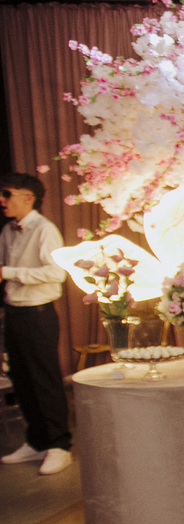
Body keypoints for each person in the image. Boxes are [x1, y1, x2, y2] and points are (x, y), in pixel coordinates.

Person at [0, 174, 73, 476]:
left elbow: (57, 273)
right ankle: (37, 441)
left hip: (38, 314)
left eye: (7, 194)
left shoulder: (44, 229)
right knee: (21, 380)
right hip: (14, 313)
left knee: (44, 380)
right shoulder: (8, 230)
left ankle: (60, 446)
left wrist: (9, 272)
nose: (2, 200)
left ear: (28, 198)